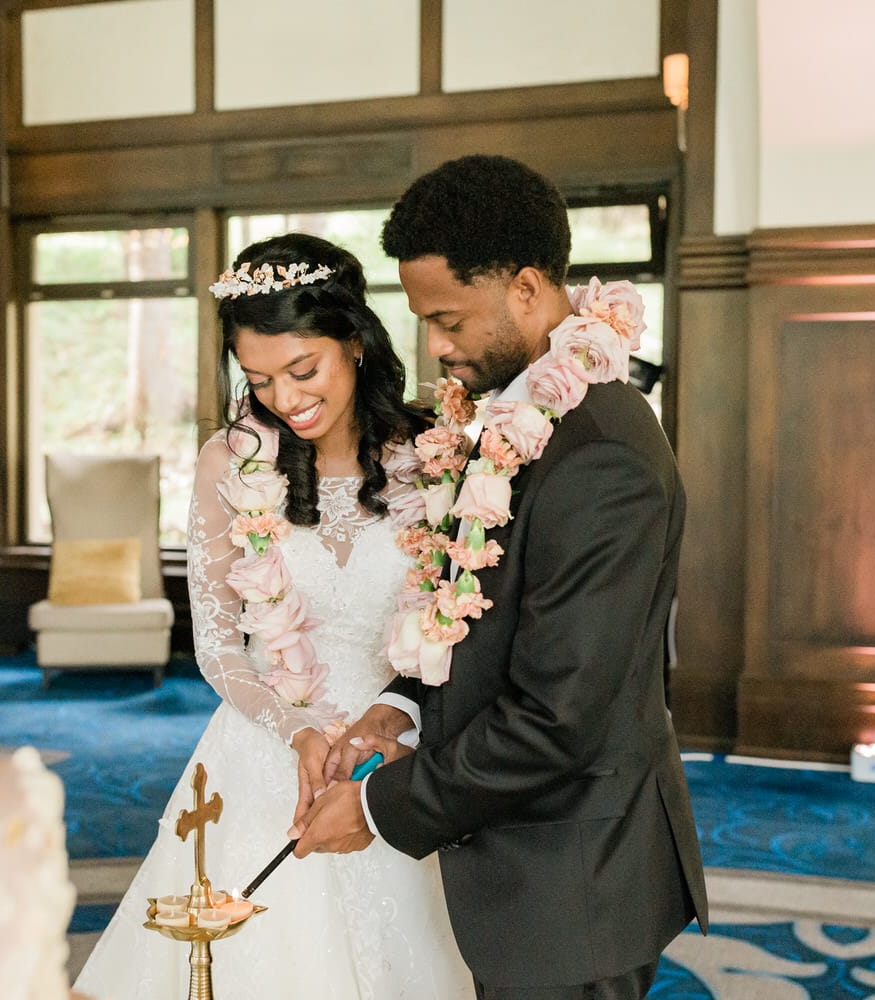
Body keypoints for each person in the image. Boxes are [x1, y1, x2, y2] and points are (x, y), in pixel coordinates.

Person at [290, 155, 710, 999]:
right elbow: (473, 604)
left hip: (575, 879)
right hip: (524, 859)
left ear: (525, 288)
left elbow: (558, 717)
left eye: (448, 318)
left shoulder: (600, 454)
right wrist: (400, 704)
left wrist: (377, 810)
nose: (434, 347)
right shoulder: (512, 415)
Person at [73, 233, 473, 999]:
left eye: (303, 370)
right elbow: (220, 649)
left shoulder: (436, 453)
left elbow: (461, 625)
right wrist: (298, 730)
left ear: (354, 342)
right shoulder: (230, 461)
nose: (285, 400)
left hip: (400, 755)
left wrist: (393, 720)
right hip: (267, 748)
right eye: (259, 380)